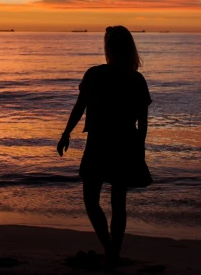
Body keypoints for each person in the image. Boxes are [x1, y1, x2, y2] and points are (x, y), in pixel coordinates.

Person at [57, 25, 153, 267]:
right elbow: (142, 123)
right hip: (125, 144)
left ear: (109, 47)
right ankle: (114, 253)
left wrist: (66, 133)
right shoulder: (136, 79)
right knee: (118, 202)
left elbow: (79, 107)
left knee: (91, 199)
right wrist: (139, 150)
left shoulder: (95, 74)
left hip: (99, 143)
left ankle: (109, 249)